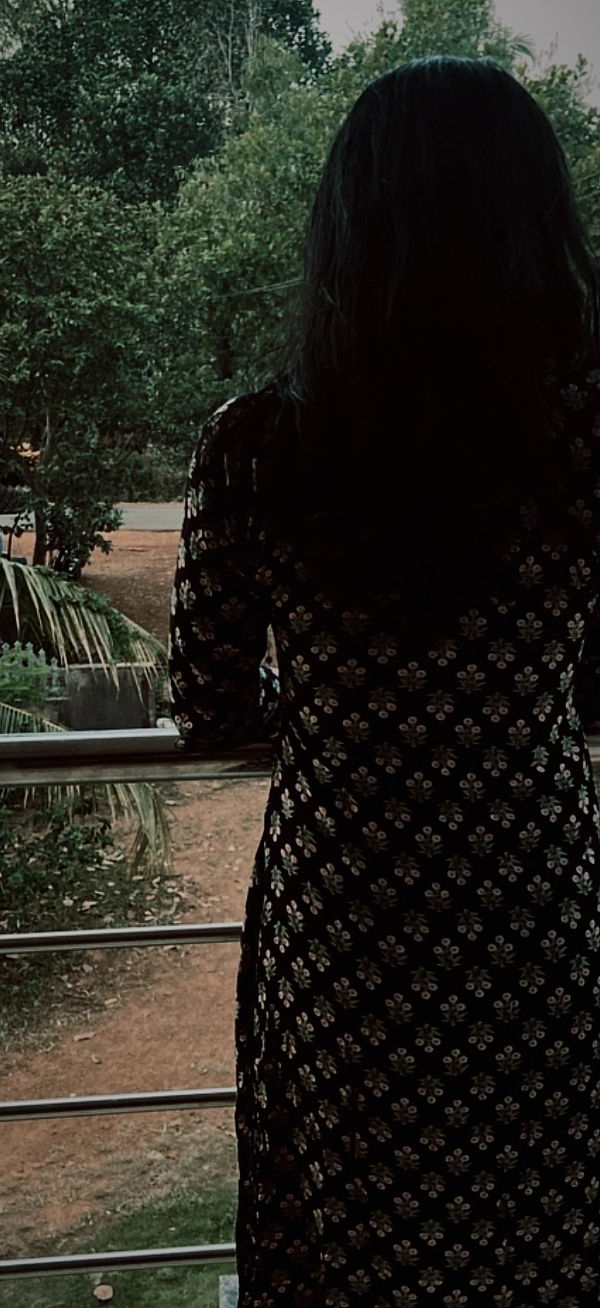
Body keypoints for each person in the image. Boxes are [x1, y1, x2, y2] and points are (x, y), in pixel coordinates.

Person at [168, 54, 600, 1307]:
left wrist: (332, 718)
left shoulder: (264, 440)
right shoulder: (584, 436)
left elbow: (206, 701)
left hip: (347, 924)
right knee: (541, 1238)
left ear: (349, 224)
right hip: (532, 906)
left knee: (355, 1251)